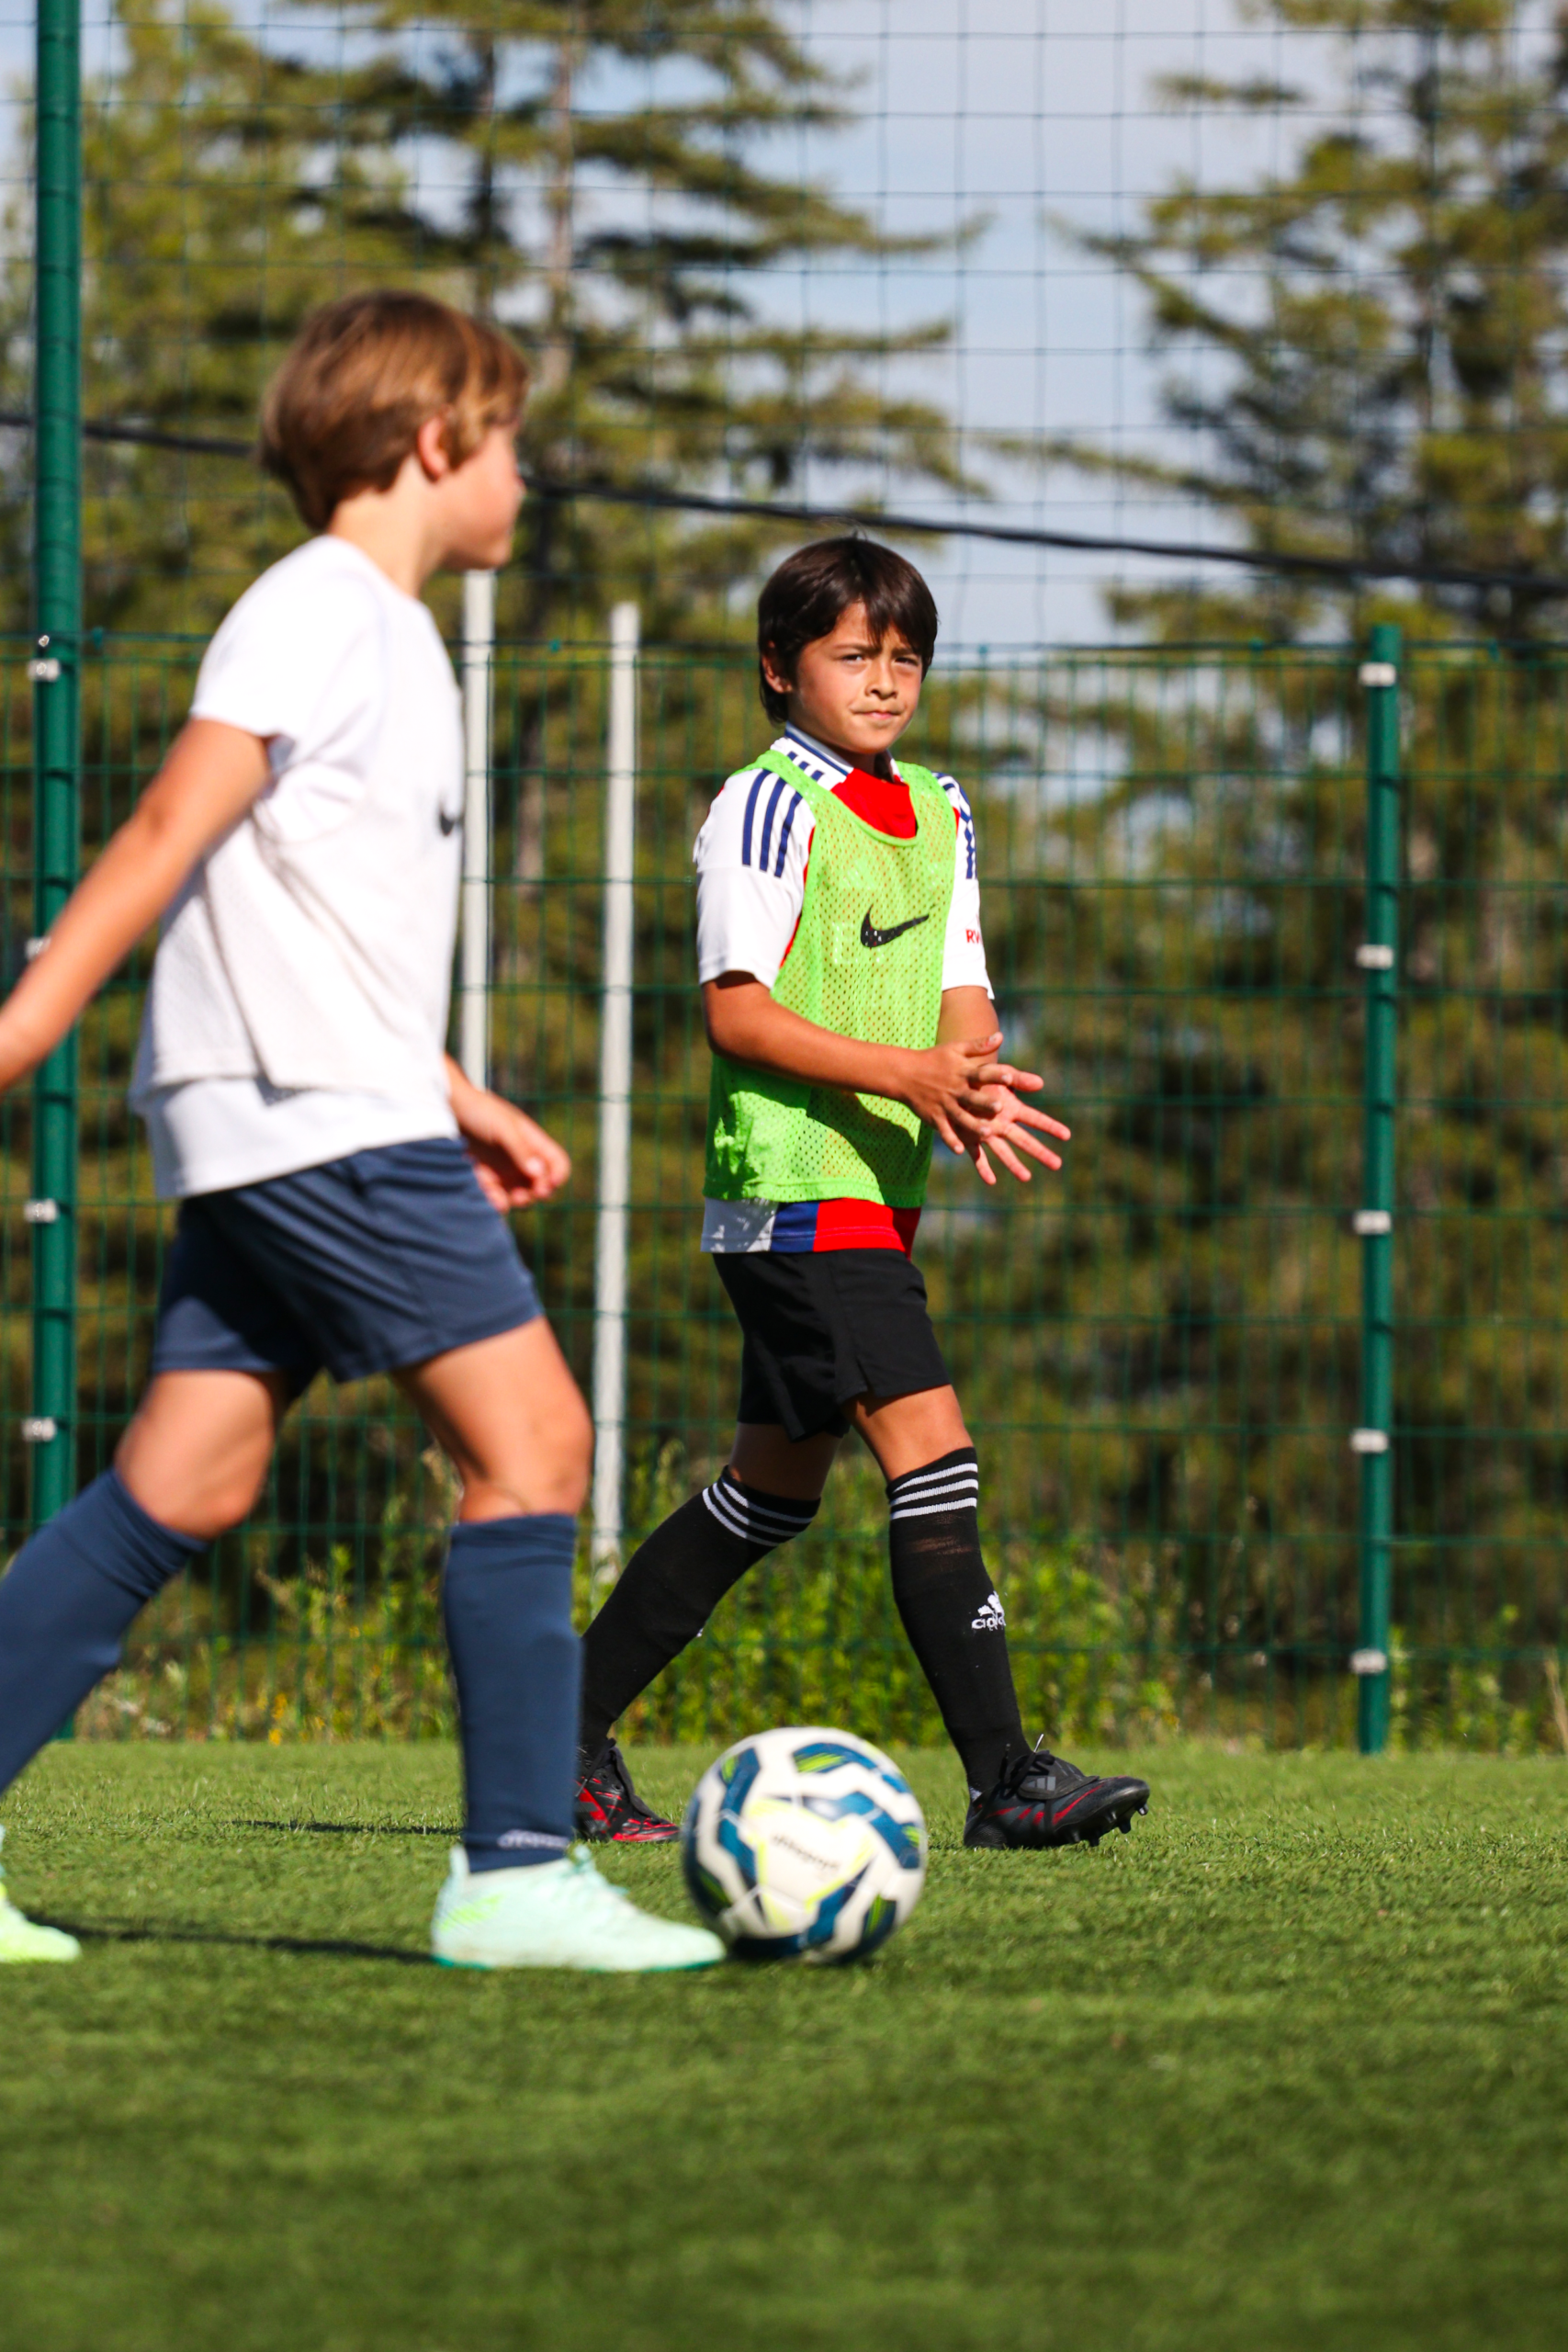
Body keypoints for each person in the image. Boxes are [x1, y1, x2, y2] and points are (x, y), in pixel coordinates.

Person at [0, 290, 721, 1973]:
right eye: (513, 441)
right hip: (308, 1108)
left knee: (191, 1469)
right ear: (432, 442)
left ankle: (516, 1871)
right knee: (532, 1442)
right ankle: (516, 1875)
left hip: (310, 1096)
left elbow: (308, 899)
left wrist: (453, 1089)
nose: (526, 479)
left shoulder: (391, 634)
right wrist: (24, 1028)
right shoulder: (322, 608)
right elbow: (180, 821)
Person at [573, 537, 1151, 1852]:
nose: (885, 682)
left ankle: (557, 1737)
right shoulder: (765, 803)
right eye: (853, 656)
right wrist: (908, 1076)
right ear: (780, 669)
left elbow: (961, 980)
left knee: (765, 1496)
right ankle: (1006, 1779)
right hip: (791, 1192)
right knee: (933, 1460)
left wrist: (971, 1075)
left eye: (906, 658)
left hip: (867, 1199)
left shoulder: (939, 806)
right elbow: (738, 1016)